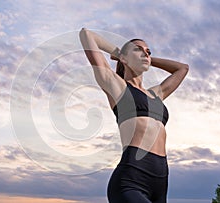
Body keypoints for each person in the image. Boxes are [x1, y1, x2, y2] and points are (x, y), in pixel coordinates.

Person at [79, 28, 189, 203]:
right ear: (124, 58)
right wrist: (119, 53)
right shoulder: (117, 87)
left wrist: (147, 60)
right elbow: (87, 34)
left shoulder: (156, 94)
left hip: (161, 182)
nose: (145, 53)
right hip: (131, 180)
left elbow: (182, 69)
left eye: (148, 52)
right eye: (138, 49)